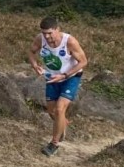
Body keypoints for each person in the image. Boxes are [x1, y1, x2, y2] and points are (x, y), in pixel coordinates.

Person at [29, 16, 88, 157]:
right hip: (52, 78)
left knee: (60, 109)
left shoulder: (70, 42)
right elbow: (31, 52)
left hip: (70, 77)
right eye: (44, 33)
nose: (47, 36)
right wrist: (34, 65)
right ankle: (63, 124)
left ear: (57, 29)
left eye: (50, 33)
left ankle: (54, 144)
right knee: (52, 112)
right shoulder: (40, 39)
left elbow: (83, 62)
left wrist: (65, 75)